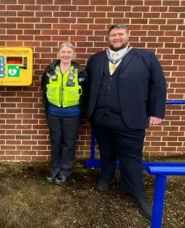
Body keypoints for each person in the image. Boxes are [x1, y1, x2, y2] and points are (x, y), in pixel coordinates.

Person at [85, 24, 166, 220]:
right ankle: (107, 176)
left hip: (130, 119)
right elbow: (87, 86)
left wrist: (156, 112)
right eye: (113, 34)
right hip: (101, 118)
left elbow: (158, 85)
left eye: (121, 34)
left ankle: (136, 192)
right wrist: (87, 112)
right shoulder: (95, 59)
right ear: (108, 37)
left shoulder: (146, 57)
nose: (117, 37)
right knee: (106, 150)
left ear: (128, 36)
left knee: (131, 157)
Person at [41, 42, 86, 185]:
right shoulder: (50, 69)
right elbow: (43, 88)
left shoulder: (80, 71)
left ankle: (65, 171)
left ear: (73, 54)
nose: (66, 54)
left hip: (73, 114)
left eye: (69, 52)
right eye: (63, 52)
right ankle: (54, 169)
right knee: (55, 142)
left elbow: (86, 93)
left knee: (69, 143)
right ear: (58, 54)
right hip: (53, 112)